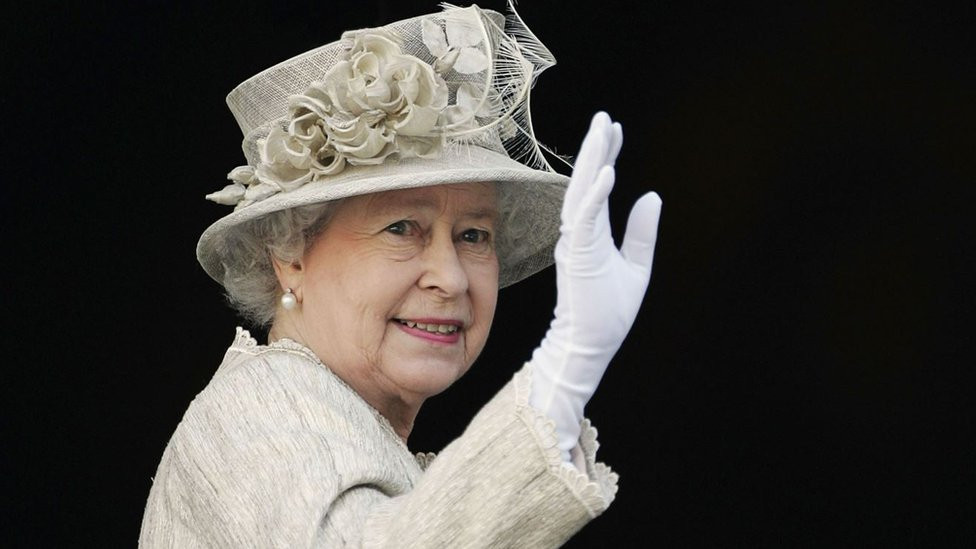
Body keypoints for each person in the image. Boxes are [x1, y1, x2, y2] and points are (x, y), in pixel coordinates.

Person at [139, 3, 662, 547]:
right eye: (401, 228)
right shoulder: (261, 412)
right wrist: (565, 371)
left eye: (473, 235)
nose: (452, 279)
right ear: (289, 253)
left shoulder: (344, 427)